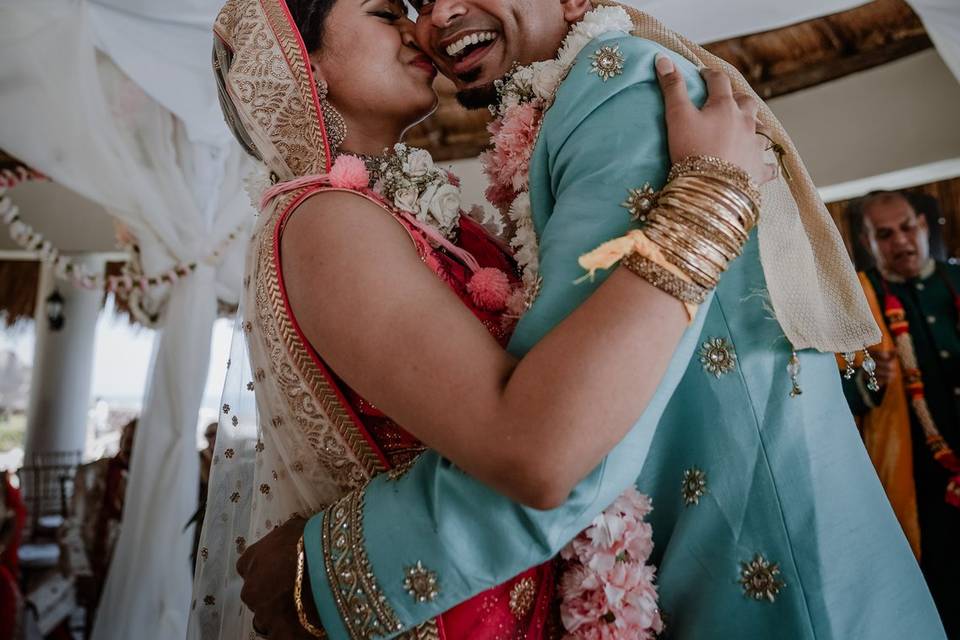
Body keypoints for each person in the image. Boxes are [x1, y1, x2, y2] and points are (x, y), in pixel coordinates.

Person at [200, 1, 945, 639]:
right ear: (303, 61)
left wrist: (327, 570)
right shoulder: (333, 216)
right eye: (400, 5)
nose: (429, 22)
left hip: (782, 583)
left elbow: (550, 441)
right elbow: (541, 429)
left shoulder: (619, 85)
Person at [841, 190, 960, 638]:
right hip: (917, 487)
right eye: (884, 234)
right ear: (868, 242)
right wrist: (874, 380)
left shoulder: (956, 281)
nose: (901, 241)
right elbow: (837, 399)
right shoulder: (854, 304)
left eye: (908, 227)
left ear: (925, 226)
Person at [59, 418, 136, 618]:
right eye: (127, 438)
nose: (130, 445)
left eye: (138, 440)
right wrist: (82, 571)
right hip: (95, 564)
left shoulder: (156, 483)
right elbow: (71, 525)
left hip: (133, 575)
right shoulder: (91, 474)